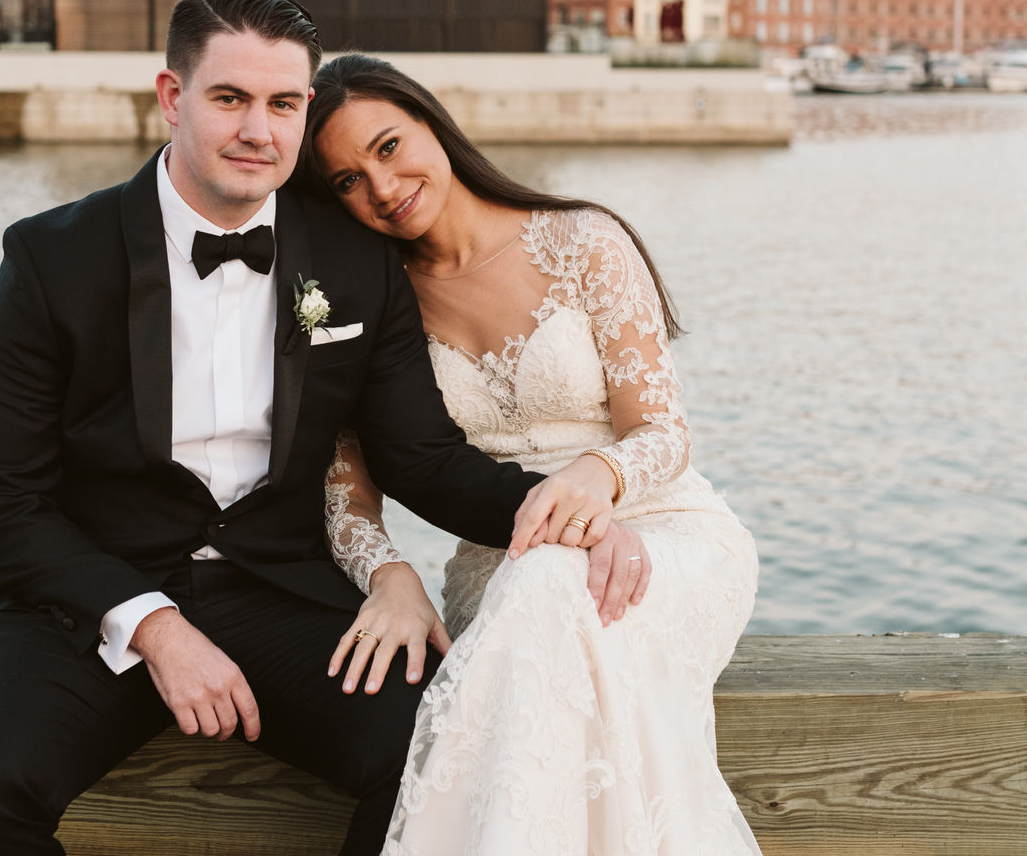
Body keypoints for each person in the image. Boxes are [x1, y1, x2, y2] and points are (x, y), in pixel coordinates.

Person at [0, 0, 651, 856]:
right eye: (231, 98)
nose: (260, 130)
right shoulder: (52, 256)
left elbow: (423, 459)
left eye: (284, 103)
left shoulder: (357, 261)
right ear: (172, 97)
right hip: (81, 599)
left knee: (447, 749)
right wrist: (153, 625)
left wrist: (571, 516)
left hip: (279, 591)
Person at [299, 53, 762, 856]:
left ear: (430, 121)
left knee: (558, 591)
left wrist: (599, 474)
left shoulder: (583, 239)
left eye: (387, 145)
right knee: (546, 579)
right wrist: (392, 575)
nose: (380, 186)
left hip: (663, 532)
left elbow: (664, 431)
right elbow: (347, 497)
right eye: (345, 180)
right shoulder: (368, 296)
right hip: (504, 562)